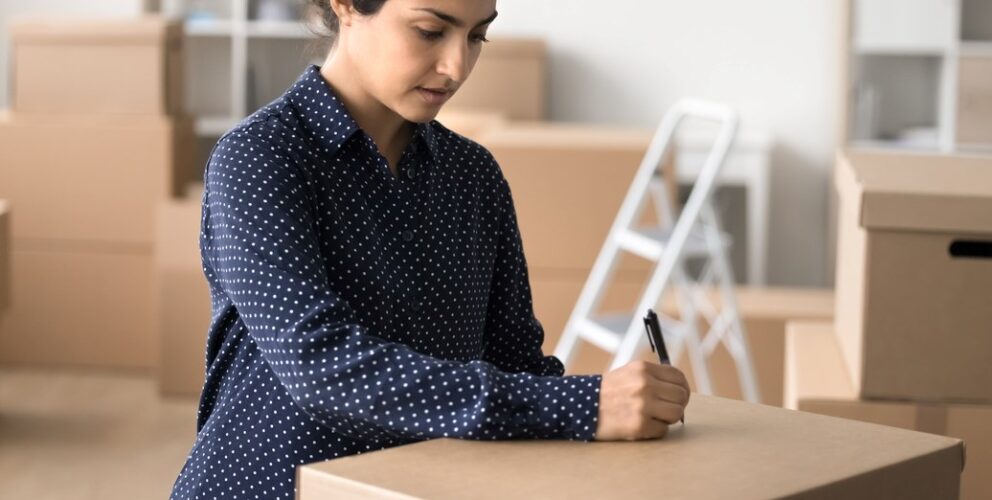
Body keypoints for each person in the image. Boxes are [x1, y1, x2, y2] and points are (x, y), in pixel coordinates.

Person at [169, 0, 690, 498]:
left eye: (477, 35)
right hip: (272, 486)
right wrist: (583, 406)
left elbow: (516, 362)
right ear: (348, 6)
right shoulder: (259, 158)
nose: (456, 65)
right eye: (430, 31)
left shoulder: (473, 175)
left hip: (422, 488)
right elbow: (320, 364)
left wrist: (618, 414)